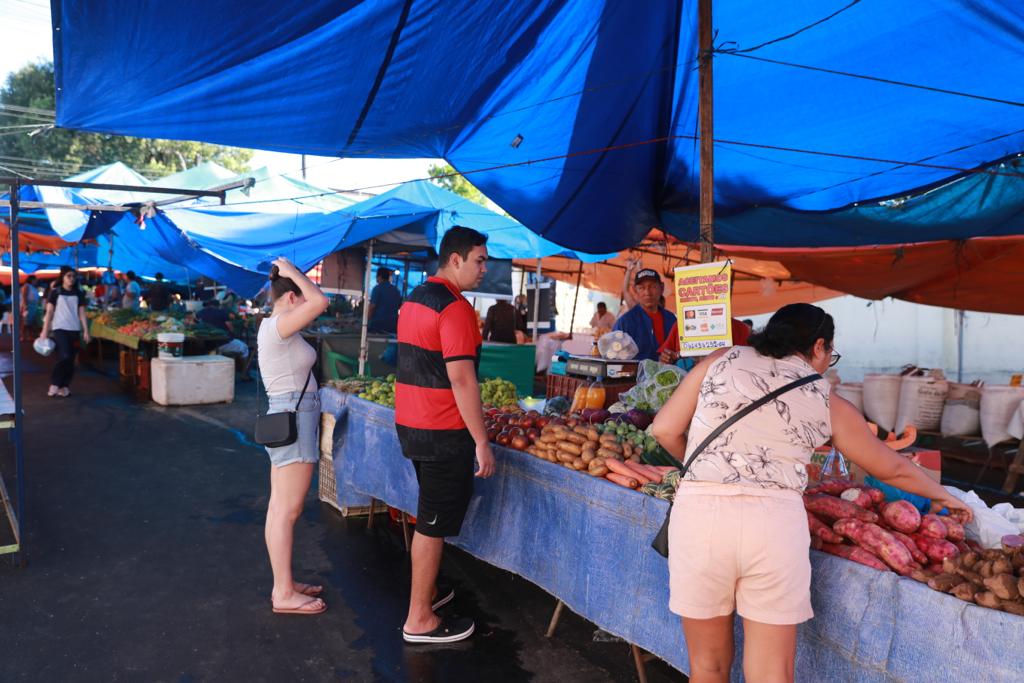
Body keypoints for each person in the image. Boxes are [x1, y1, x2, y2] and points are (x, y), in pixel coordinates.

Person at [650, 303, 973, 683]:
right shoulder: (824, 397)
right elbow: (892, 467)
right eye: (830, 355)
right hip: (772, 527)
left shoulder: (723, 358)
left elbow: (663, 430)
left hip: (701, 518)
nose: (827, 364)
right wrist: (948, 497)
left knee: (708, 668)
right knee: (771, 674)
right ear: (819, 346)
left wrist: (712, 470)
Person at [395, 226, 494, 644]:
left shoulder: (416, 297)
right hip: (441, 429)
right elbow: (462, 379)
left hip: (413, 424)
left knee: (427, 514)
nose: (484, 269)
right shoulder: (454, 307)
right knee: (431, 525)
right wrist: (482, 441)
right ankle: (419, 619)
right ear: (456, 259)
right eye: (480, 260)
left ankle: (429, 592)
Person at [257, 257, 329, 616]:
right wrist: (294, 274)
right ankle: (283, 593)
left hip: (291, 414)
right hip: (294, 416)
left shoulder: (279, 327)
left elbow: (315, 303)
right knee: (287, 510)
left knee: (279, 509)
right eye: (301, 295)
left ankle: (283, 583)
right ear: (291, 298)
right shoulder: (281, 324)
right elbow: (320, 301)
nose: (308, 305)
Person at [39, 268, 91, 397]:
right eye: (69, 276)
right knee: (64, 356)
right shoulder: (55, 292)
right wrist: (44, 331)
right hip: (59, 328)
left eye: (74, 276)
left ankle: (65, 386)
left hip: (74, 329)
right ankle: (55, 383)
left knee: (71, 359)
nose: (71, 278)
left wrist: (86, 330)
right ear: (62, 277)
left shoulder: (79, 293)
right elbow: (49, 312)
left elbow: (82, 313)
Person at [612, 269, 676, 361]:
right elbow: (614, 358)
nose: (647, 293)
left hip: (669, 374)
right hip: (635, 375)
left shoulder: (671, 319)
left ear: (661, 288)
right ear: (635, 291)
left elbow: (680, 351)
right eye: (641, 288)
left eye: (652, 287)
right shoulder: (625, 322)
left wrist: (674, 356)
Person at [659, 318, 752, 366]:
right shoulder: (681, 325)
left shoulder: (740, 328)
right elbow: (662, 359)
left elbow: (748, 362)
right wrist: (666, 358)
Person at [367, 267, 402, 334]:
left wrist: (366, 322)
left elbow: (372, 306)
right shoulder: (396, 290)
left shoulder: (377, 289)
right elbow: (400, 307)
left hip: (377, 326)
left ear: (379, 277)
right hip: (393, 326)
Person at [19, 275, 41, 341]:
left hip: (33, 306)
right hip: (28, 305)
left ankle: (30, 336)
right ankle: (23, 336)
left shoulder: (33, 287)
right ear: (31, 280)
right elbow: (24, 296)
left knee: (31, 322)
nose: (36, 281)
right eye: (35, 280)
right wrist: (25, 306)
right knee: (25, 321)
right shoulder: (26, 286)